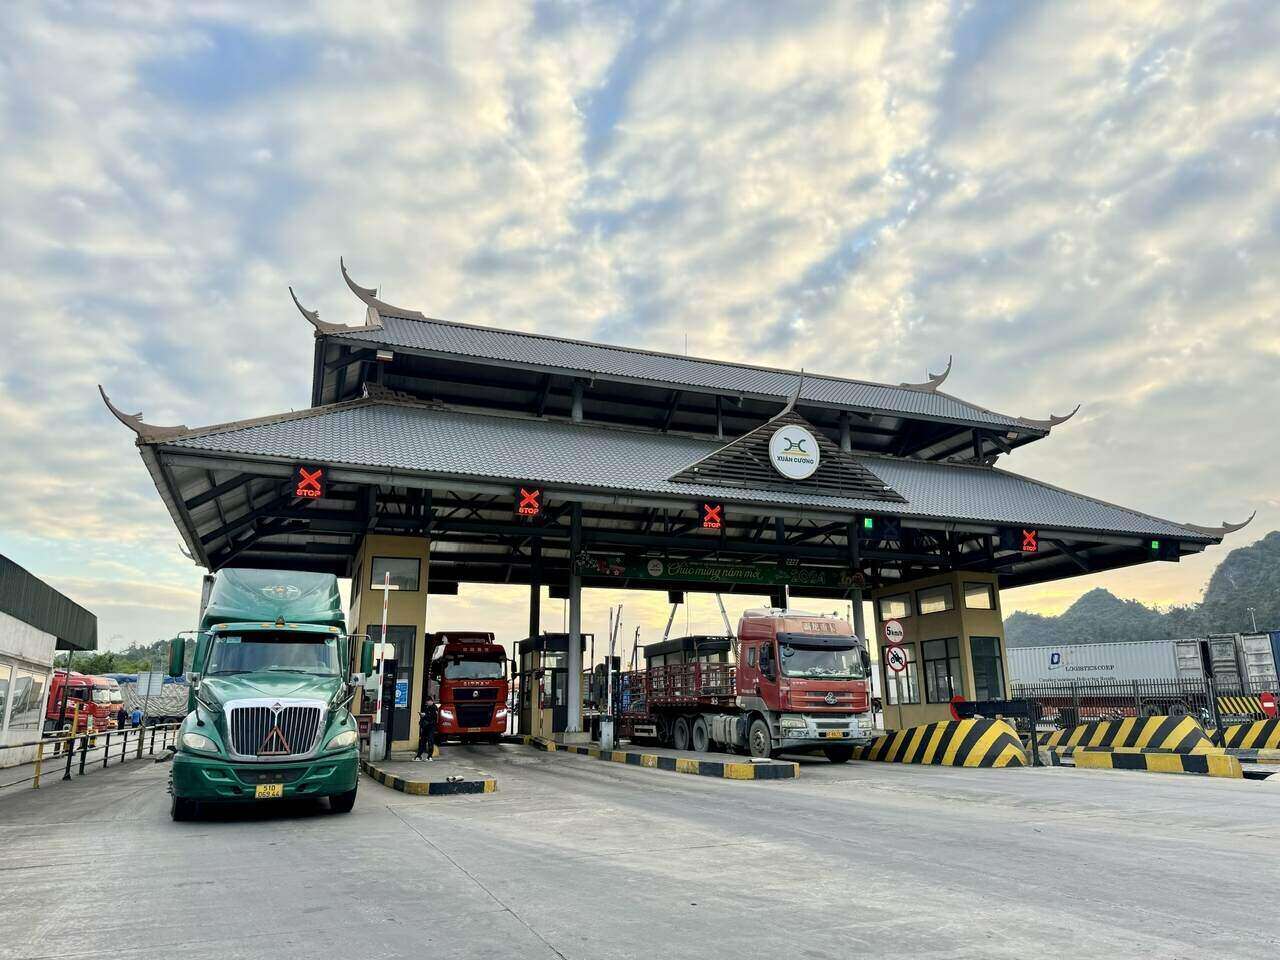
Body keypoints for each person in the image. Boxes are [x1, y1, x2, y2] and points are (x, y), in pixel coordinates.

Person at [414, 695, 439, 762]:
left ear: (431, 701)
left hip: (431, 727)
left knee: (430, 741)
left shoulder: (434, 708)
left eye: (427, 702)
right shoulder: (427, 707)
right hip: (425, 727)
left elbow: (433, 717)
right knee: (422, 741)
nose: (427, 703)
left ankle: (429, 756)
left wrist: (425, 715)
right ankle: (418, 756)